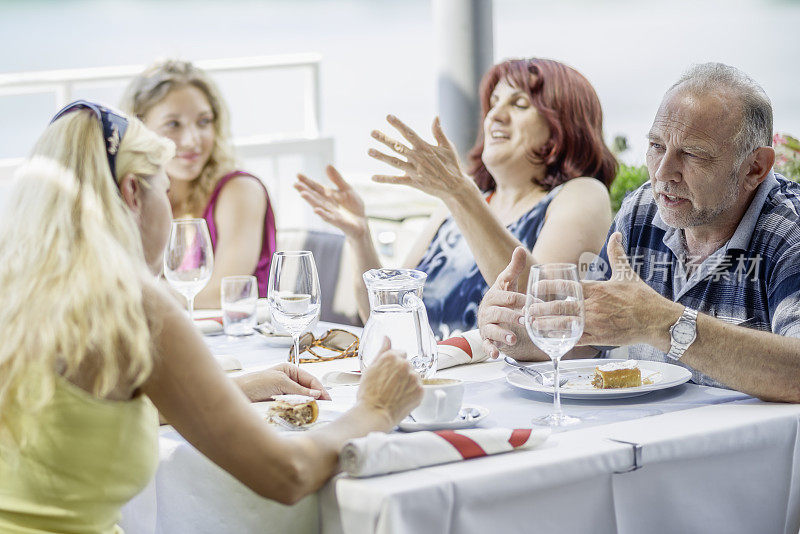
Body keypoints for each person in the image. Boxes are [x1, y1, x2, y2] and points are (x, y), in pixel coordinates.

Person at [0, 102, 422, 532]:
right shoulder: (131, 304)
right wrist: (376, 409)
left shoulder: (18, 289)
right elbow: (287, 474)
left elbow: (73, 421)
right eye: (164, 191)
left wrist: (238, 388)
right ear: (132, 193)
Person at [478, 63, 800, 402]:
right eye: (656, 146)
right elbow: (588, 342)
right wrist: (517, 328)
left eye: (692, 154)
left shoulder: (788, 230)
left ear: (755, 168)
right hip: (645, 438)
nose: (663, 173)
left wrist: (660, 322)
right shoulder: (643, 210)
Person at [295, 58, 617, 338]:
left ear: (564, 125)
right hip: (430, 382)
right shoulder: (458, 205)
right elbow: (385, 316)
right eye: (494, 102)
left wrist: (460, 192)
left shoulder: (579, 193)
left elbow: (544, 313)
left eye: (519, 104)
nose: (495, 116)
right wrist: (359, 236)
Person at [121, 59, 276, 306]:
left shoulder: (239, 190)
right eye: (173, 124)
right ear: (140, 129)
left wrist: (128, 294)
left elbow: (219, 295)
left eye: (204, 122)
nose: (192, 140)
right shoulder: (130, 195)